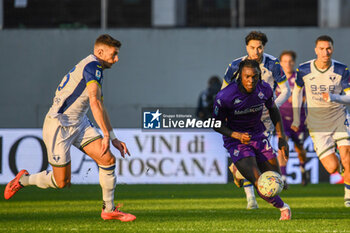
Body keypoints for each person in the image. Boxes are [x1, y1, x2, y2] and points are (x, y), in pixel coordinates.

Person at [4, 34, 137, 221]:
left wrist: (113, 137)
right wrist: (105, 135)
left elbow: (99, 104)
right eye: (114, 54)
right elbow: (94, 102)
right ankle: (23, 180)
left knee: (107, 159)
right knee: (62, 182)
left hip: (79, 122)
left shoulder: (94, 68)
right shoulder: (93, 66)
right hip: (59, 125)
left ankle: (108, 209)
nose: (117, 59)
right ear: (100, 52)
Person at [213, 59, 291, 220]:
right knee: (260, 181)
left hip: (258, 136)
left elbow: (273, 111)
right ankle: (284, 208)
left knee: (277, 181)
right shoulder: (225, 96)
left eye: (254, 77)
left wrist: (281, 138)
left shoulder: (265, 89)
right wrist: (236, 135)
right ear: (240, 76)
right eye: (247, 77)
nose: (251, 81)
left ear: (259, 76)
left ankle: (238, 171)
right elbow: (215, 124)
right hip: (236, 140)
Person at [292, 35, 350, 207]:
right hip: (317, 123)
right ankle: (345, 169)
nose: (326, 52)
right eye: (322, 49)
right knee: (332, 168)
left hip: (339, 117)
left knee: (347, 157)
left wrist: (333, 97)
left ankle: (348, 194)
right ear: (316, 50)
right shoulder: (304, 70)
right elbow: (296, 93)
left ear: (332, 49)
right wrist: (296, 118)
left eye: (329, 48)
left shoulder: (341, 70)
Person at [276, 50, 309, 187]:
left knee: (299, 149)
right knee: (282, 147)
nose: (287, 64)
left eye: (290, 61)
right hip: (282, 119)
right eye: (284, 61)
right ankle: (283, 178)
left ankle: (303, 170)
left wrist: (296, 99)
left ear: (294, 62)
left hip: (298, 119)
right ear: (280, 63)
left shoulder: (300, 78)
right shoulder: (277, 79)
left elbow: (307, 97)